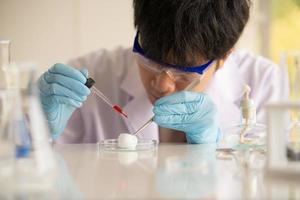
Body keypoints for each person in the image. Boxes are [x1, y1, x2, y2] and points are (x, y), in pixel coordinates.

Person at [38, 0, 285, 144]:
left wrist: (211, 149)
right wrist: (38, 132)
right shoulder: (94, 75)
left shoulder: (265, 85)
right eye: (151, 61)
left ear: (224, 58)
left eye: (184, 73)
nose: (163, 85)